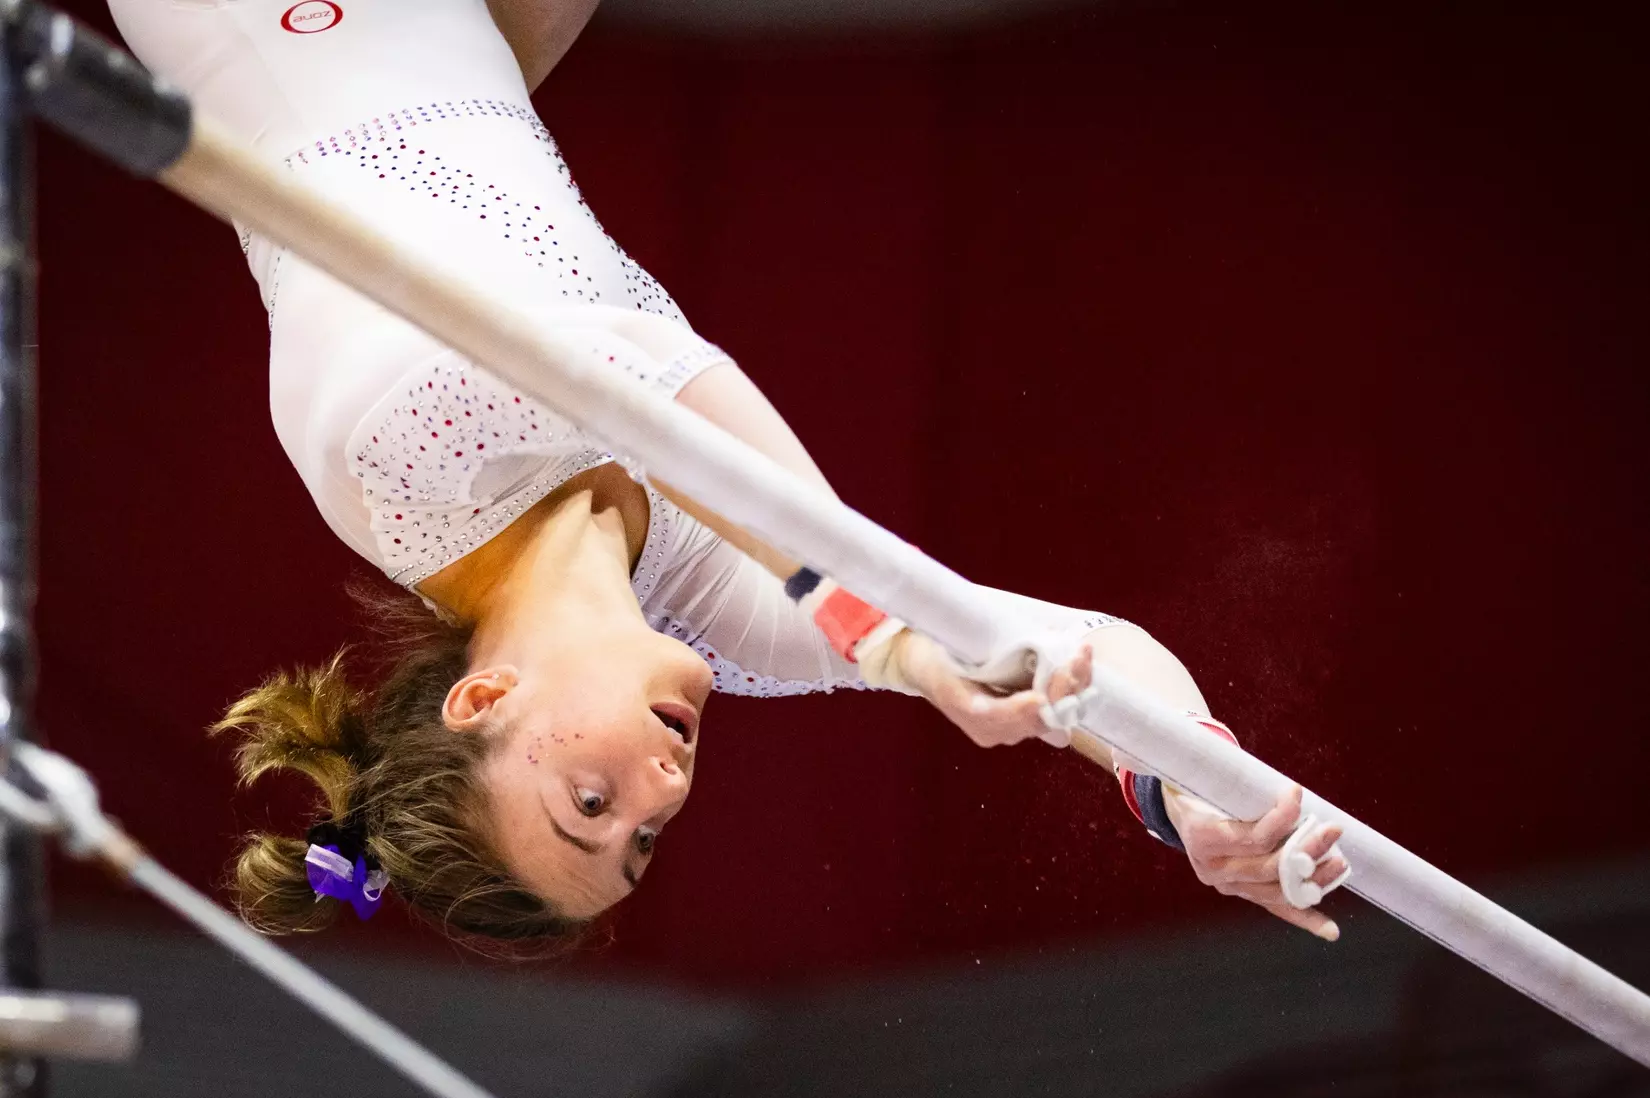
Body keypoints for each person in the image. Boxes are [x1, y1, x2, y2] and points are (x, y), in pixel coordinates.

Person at [105, 0, 1350, 950]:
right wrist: (1183, 788)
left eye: (589, 800)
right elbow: (1070, 639)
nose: (659, 791)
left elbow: (645, 375)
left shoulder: (394, 454)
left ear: (482, 702)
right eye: (640, 839)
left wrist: (900, 643)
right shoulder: (724, 619)